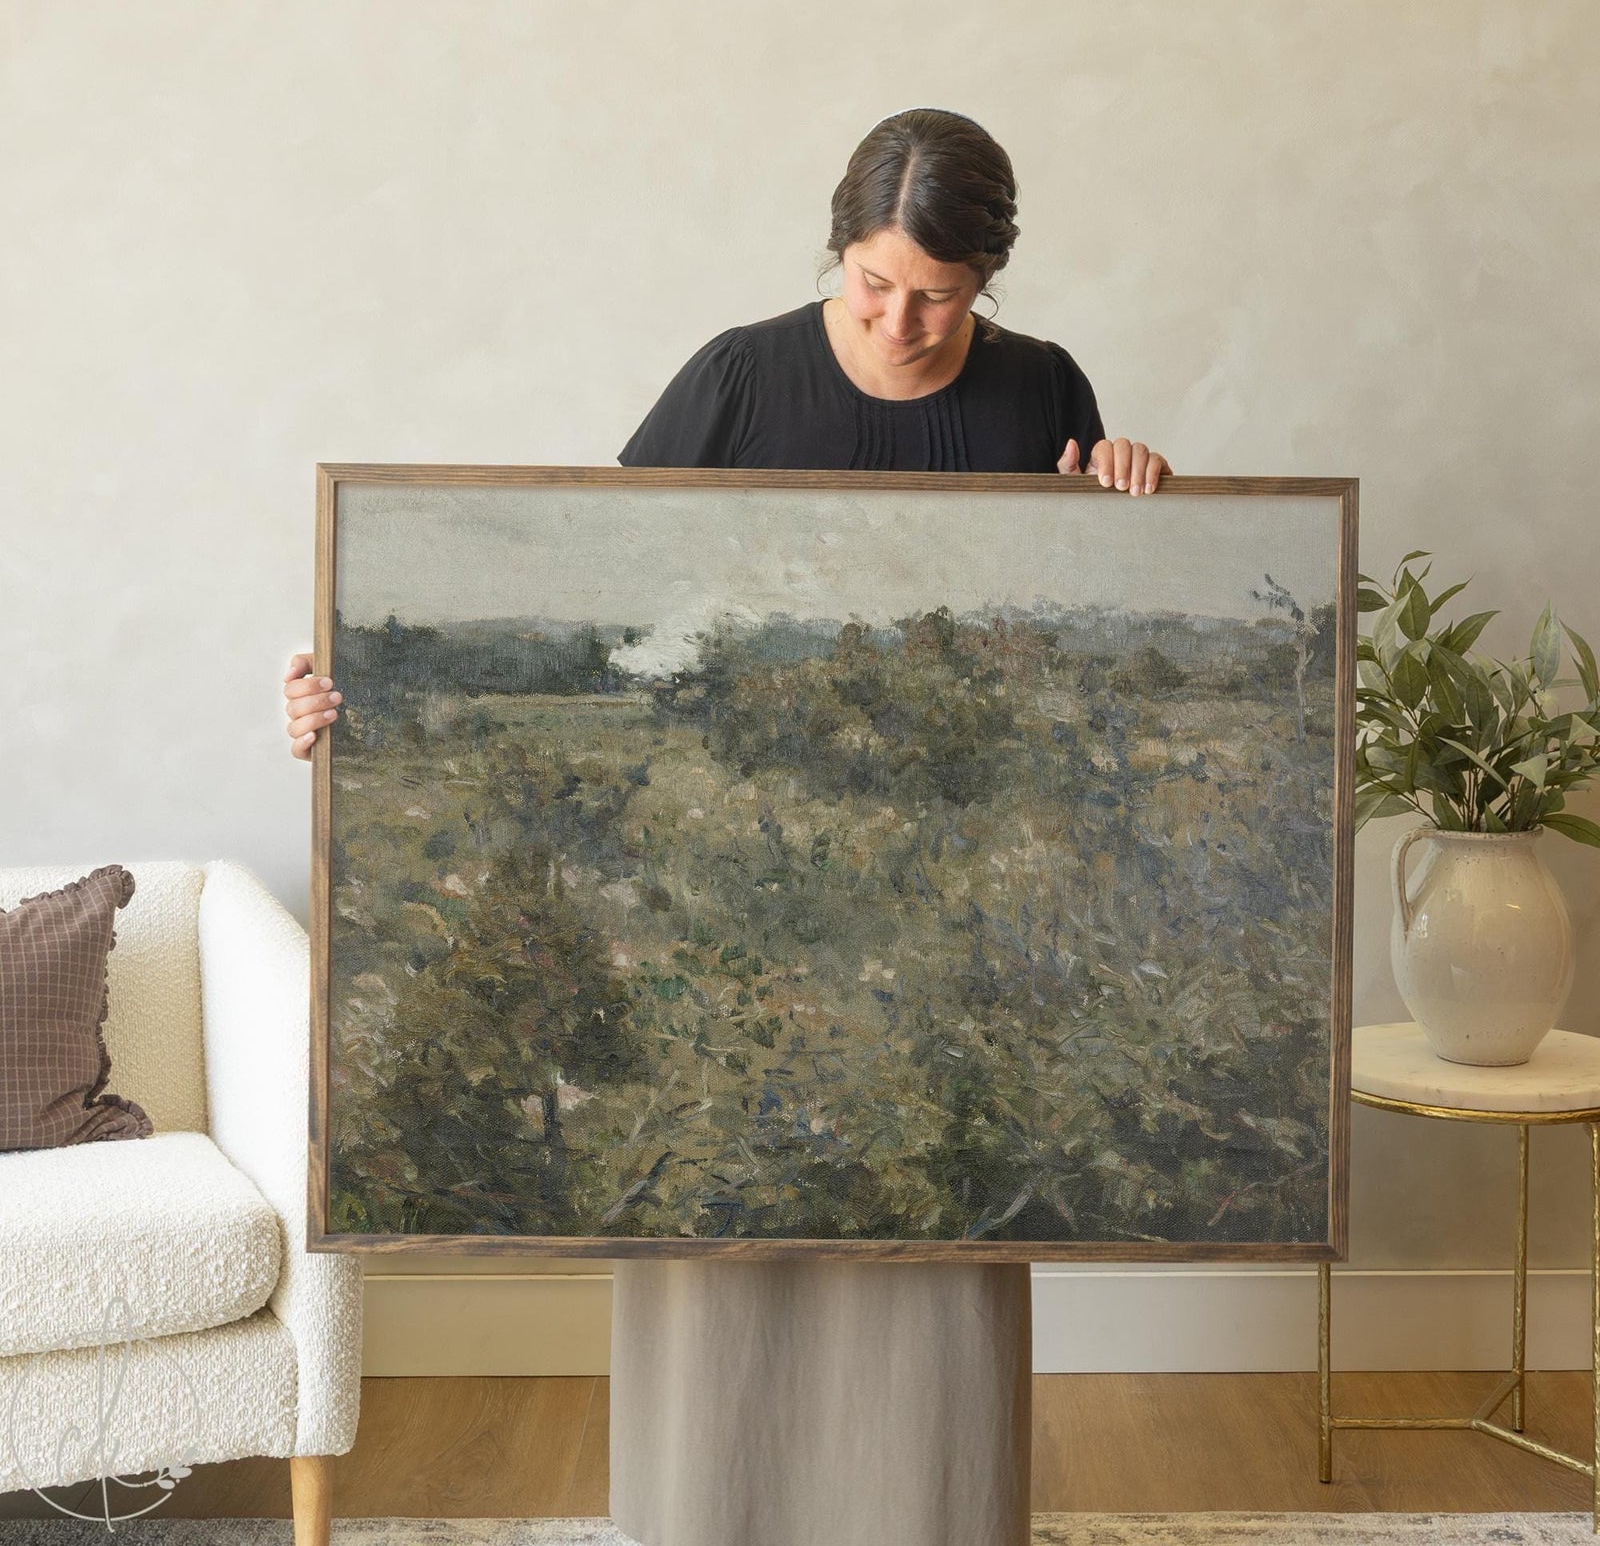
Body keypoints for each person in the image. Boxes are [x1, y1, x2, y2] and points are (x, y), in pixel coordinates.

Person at [284, 108, 1170, 1546]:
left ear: (989, 278)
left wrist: (1137, 496)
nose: (900, 321)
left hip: (951, 900)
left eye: (940, 296)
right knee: (717, 1158)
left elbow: (1078, 630)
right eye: (874, 283)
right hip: (729, 880)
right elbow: (596, 582)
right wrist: (350, 695)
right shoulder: (738, 379)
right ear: (838, 250)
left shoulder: (1041, 389)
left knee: (939, 1185)